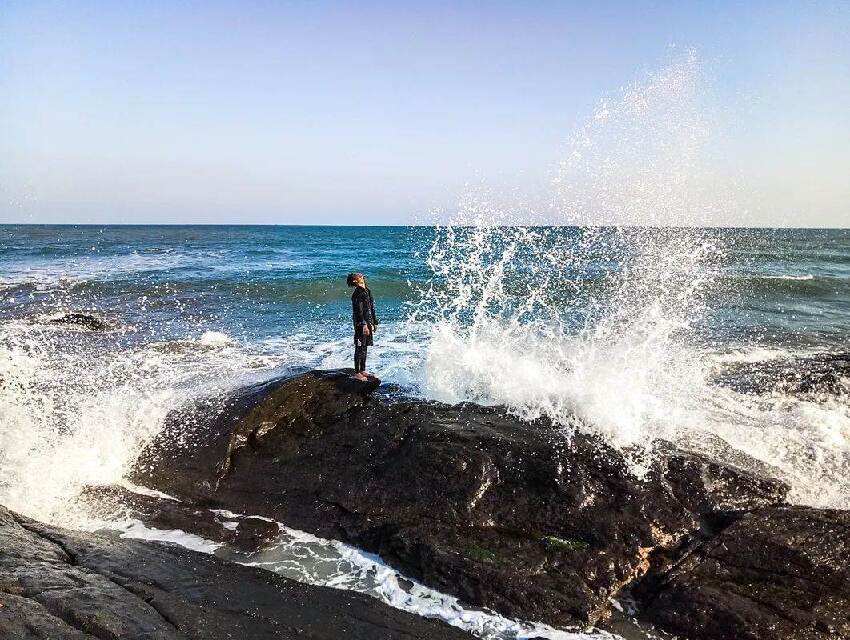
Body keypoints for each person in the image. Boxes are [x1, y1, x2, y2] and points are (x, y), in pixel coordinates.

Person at [347, 272, 378, 380]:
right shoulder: (357, 293)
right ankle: (357, 372)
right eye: (357, 275)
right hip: (360, 323)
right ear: (355, 281)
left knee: (365, 346)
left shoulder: (367, 291)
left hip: (368, 322)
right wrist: (363, 324)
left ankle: (363, 369)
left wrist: (374, 322)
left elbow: (371, 308)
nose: (360, 275)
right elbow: (358, 311)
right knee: (359, 347)